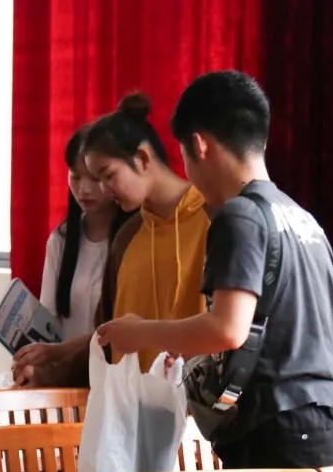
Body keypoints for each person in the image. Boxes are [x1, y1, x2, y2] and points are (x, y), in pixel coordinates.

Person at [96, 70, 333, 469]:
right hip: (332, 421)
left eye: (183, 156)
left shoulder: (241, 215)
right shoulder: (302, 219)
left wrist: (139, 333)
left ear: (199, 145)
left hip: (279, 429)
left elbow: (227, 329)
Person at [14, 93, 209, 384]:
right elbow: (104, 340)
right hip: (128, 403)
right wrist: (48, 372)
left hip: (197, 404)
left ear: (142, 158)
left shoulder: (212, 218)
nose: (103, 190)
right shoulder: (127, 237)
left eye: (107, 176)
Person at [39, 126, 132, 340]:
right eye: (76, 176)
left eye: (95, 178)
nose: (84, 189)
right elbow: (48, 317)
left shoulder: (134, 239)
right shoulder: (60, 240)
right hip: (66, 360)